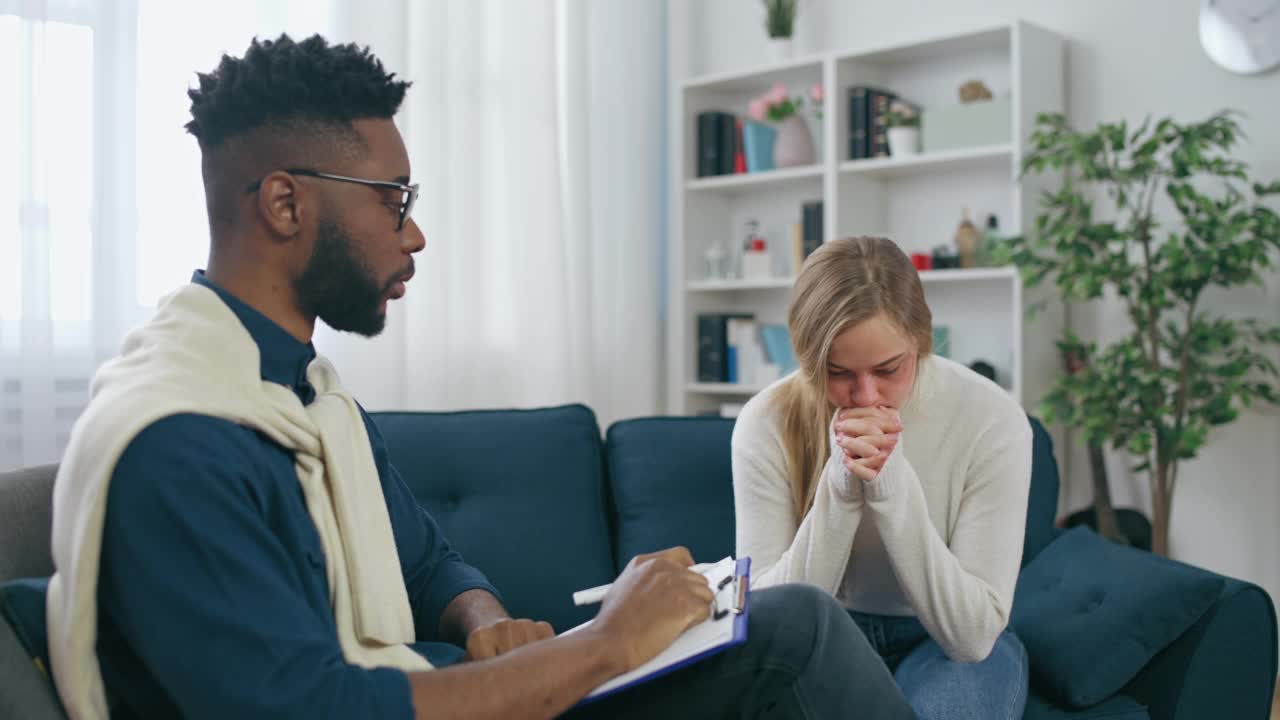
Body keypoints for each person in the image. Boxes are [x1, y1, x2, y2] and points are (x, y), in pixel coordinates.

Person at [45, 35, 918, 720]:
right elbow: (309, 710)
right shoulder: (184, 443)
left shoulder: (305, 393)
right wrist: (603, 646)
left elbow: (429, 563)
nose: (414, 234)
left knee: (777, 627)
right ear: (285, 204)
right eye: (394, 201)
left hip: (441, 689)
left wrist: (482, 619)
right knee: (791, 635)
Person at [732, 236, 1033, 720]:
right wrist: (841, 488)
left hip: (943, 642)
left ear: (920, 341)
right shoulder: (764, 421)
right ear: (810, 360)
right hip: (825, 639)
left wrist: (891, 489)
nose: (866, 395)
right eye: (838, 372)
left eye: (888, 369)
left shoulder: (992, 418)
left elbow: (973, 636)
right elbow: (770, 625)